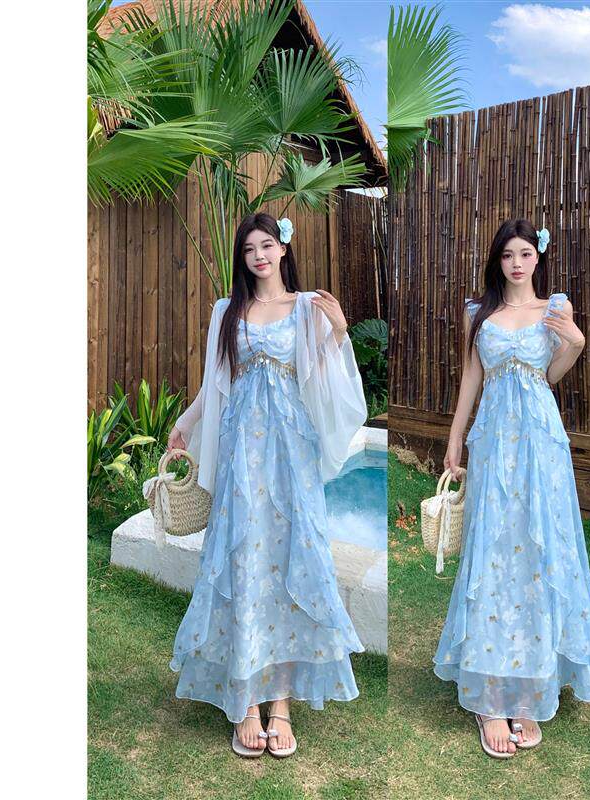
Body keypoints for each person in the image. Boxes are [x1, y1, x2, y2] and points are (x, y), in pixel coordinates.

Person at [166, 212, 368, 758]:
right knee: (245, 563)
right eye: (249, 248)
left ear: (283, 249)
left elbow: (324, 380)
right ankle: (247, 700)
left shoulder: (306, 308)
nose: (258, 255)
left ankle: (280, 703)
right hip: (241, 453)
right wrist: (185, 424)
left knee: (291, 559)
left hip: (290, 452)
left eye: (267, 245)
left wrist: (339, 331)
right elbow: (216, 385)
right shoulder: (226, 311)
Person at [435, 219, 590, 758]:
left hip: (541, 443)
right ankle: (490, 695)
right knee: (494, 552)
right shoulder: (478, 313)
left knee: (539, 551)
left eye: (525, 253)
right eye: (508, 254)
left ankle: (531, 686)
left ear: (538, 257)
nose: (516, 263)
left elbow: (550, 375)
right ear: (497, 260)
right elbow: (471, 379)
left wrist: (575, 343)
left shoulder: (555, 307)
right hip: (494, 441)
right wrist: (455, 440)